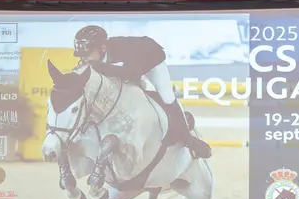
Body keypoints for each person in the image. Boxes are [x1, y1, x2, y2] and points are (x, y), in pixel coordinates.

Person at [72, 24, 213, 160]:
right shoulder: (93, 59)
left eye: (87, 53)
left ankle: (189, 140)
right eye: (82, 55)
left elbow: (132, 75)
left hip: (151, 59)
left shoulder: (122, 49)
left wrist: (100, 67)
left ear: (103, 47)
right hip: (130, 68)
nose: (84, 58)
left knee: (167, 97)